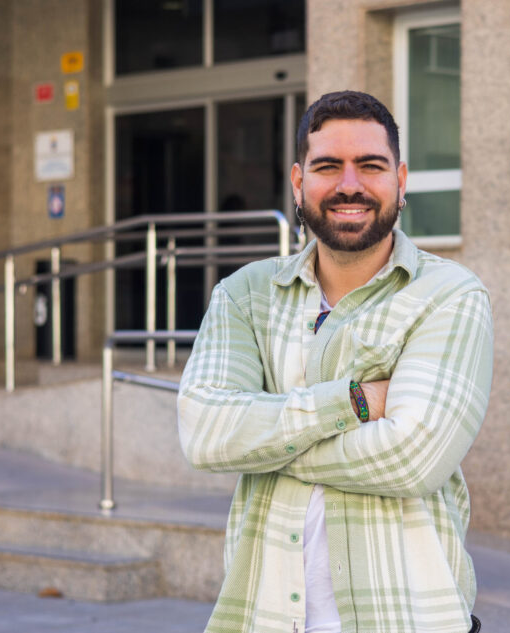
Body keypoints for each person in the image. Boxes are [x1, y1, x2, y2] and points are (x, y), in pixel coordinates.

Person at [177, 90, 493, 633]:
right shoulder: (245, 295)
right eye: (329, 167)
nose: (350, 184)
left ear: (401, 179)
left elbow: (412, 459)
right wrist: (355, 401)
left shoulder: (449, 295)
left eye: (371, 165)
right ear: (299, 183)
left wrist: (263, 442)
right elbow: (205, 433)